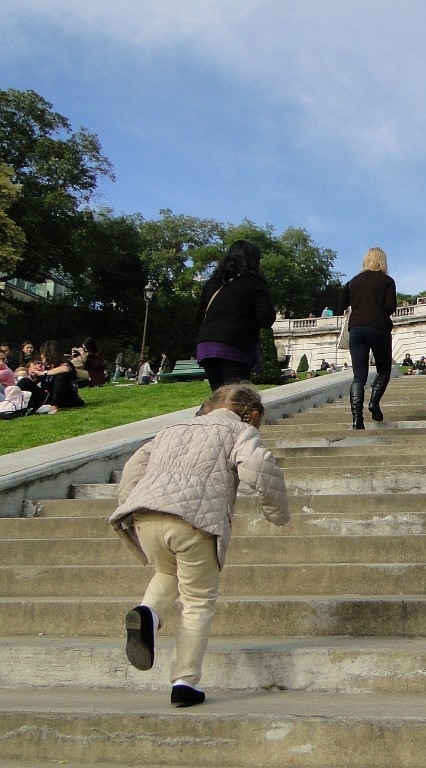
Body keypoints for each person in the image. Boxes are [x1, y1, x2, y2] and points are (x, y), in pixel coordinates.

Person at [109, 383, 289, 708]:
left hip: (146, 516)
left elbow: (134, 467)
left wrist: (131, 505)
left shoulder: (172, 429)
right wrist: (276, 512)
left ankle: (147, 613)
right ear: (252, 414)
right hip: (194, 520)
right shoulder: (240, 431)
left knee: (167, 573)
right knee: (198, 602)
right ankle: (184, 682)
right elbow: (259, 465)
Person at [195, 239, 277, 391]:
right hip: (235, 346)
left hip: (207, 346)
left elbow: (198, 316)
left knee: (219, 394)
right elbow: (266, 318)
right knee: (235, 396)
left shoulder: (213, 283)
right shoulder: (255, 282)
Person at [338, 247, 398, 428]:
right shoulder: (387, 281)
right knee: (384, 370)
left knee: (359, 376)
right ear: (382, 261)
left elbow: (341, 306)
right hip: (379, 328)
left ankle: (357, 418)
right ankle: (374, 401)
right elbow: (390, 307)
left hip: (356, 329)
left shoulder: (352, 282)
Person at [38, 340, 85, 411]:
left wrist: (44, 373)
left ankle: (54, 406)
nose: (41, 356)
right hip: (49, 397)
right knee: (25, 381)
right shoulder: (45, 366)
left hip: (68, 398)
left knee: (59, 376)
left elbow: (65, 369)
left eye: (42, 353)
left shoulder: (66, 363)